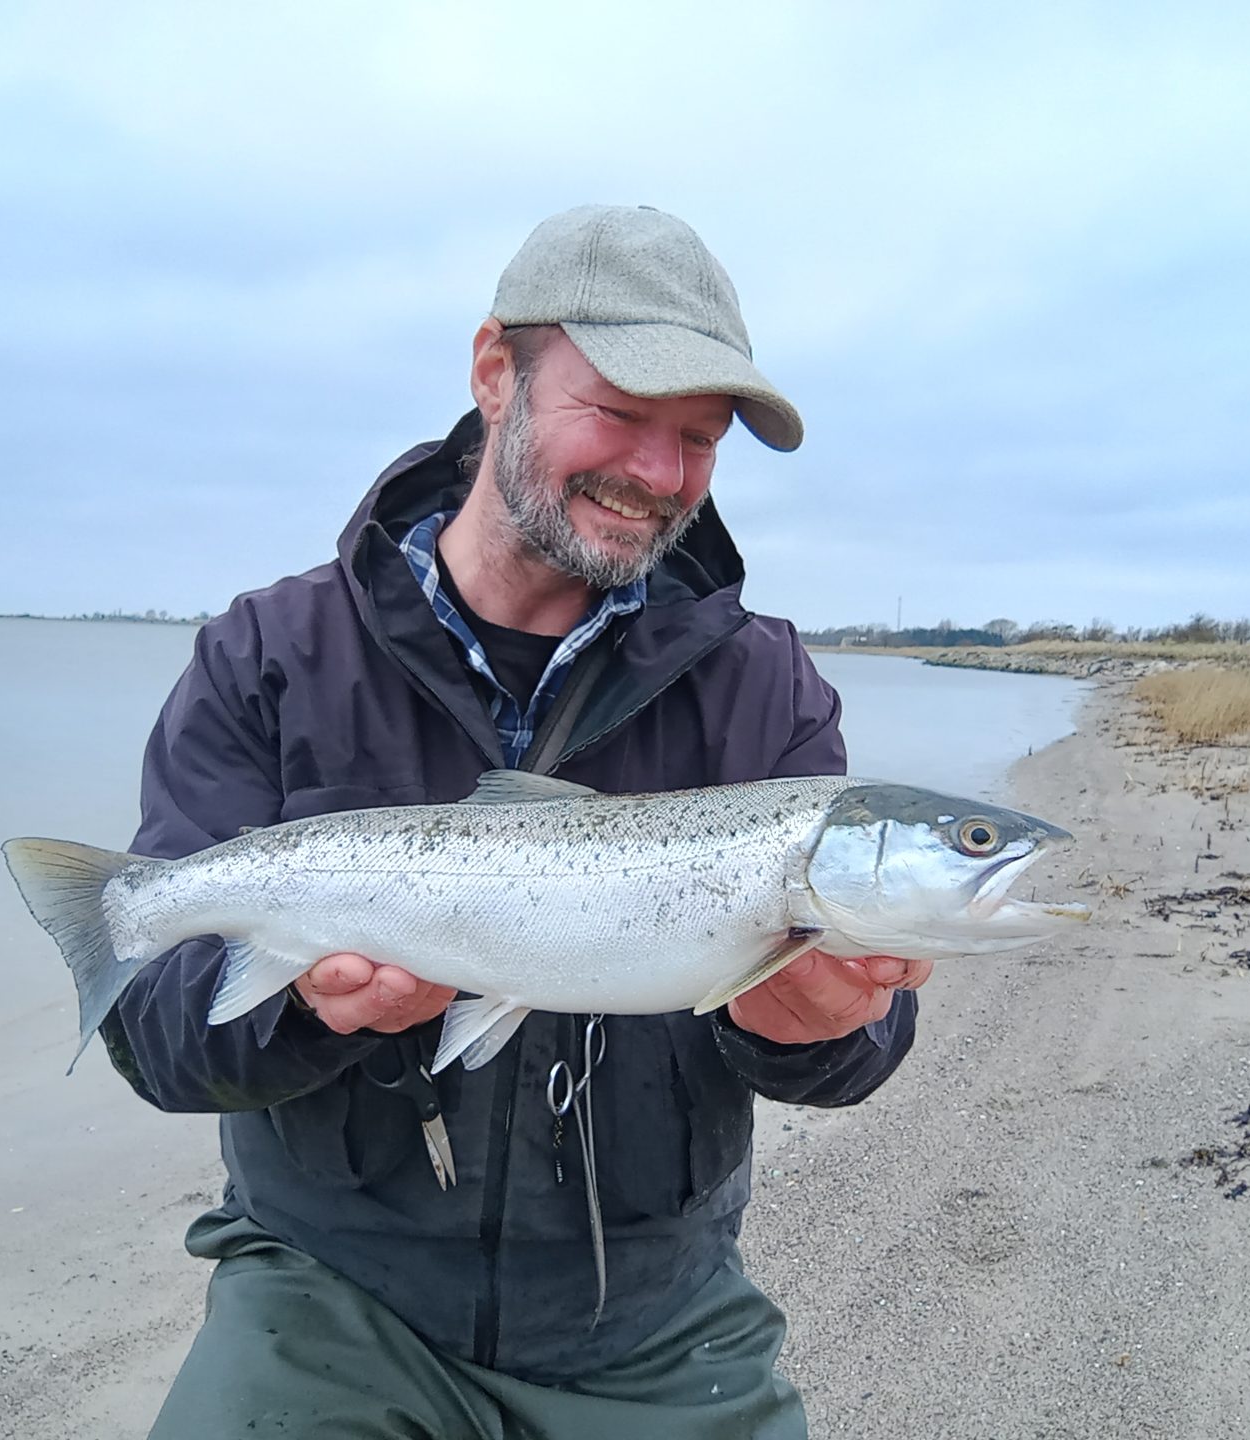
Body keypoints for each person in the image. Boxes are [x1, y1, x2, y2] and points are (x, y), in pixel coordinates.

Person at [101, 204, 930, 1438]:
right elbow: (156, 1037)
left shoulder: (768, 689)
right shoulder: (268, 655)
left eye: (699, 440)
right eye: (622, 414)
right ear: (496, 371)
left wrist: (818, 1029)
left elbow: (865, 1045)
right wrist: (303, 1006)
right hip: (331, 1290)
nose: (660, 475)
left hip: (657, 1315)